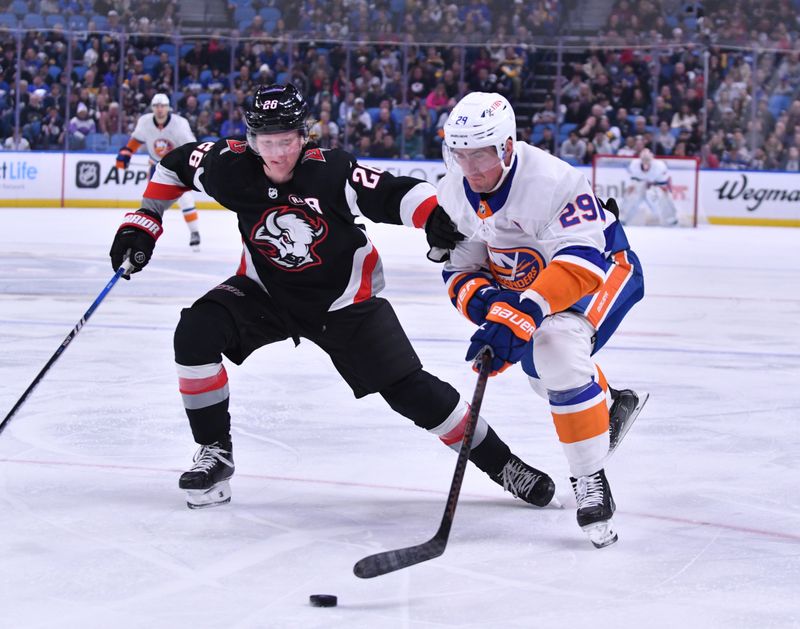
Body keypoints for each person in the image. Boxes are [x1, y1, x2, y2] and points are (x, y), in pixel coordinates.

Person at [108, 83, 558, 511]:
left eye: (287, 140)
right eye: (266, 142)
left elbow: (393, 192)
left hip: (344, 304)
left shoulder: (329, 170)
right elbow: (174, 165)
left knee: (412, 393)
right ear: (250, 140)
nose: (278, 153)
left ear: (304, 135)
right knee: (195, 333)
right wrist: (144, 221)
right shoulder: (228, 165)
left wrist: (434, 216)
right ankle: (214, 452)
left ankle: (504, 464)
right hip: (265, 293)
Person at [436, 91, 647, 549]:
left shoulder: (554, 180)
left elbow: (581, 262)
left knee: (555, 345)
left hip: (603, 269)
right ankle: (611, 404)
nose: (471, 168)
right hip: (528, 285)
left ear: (507, 147)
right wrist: (494, 311)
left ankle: (590, 481)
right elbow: (460, 270)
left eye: (481, 154)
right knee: (543, 371)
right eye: (460, 154)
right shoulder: (453, 189)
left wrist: (524, 312)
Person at [115, 93, 202, 249]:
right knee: (151, 205)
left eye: (163, 106)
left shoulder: (180, 124)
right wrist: (127, 153)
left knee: (186, 199)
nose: (160, 109)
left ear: (168, 108)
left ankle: (194, 232)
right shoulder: (145, 122)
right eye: (156, 106)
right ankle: (144, 237)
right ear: (152, 108)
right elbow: (136, 140)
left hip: (178, 168)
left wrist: (190, 169)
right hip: (158, 169)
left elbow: (192, 148)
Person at [621, 148, 679, 226]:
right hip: (639, 184)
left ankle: (671, 219)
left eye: (647, 159)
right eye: (644, 159)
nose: (646, 161)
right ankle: (623, 218)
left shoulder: (659, 166)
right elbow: (630, 178)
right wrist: (631, 186)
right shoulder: (634, 164)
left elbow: (663, 181)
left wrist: (663, 188)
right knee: (631, 196)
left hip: (654, 184)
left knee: (663, 196)